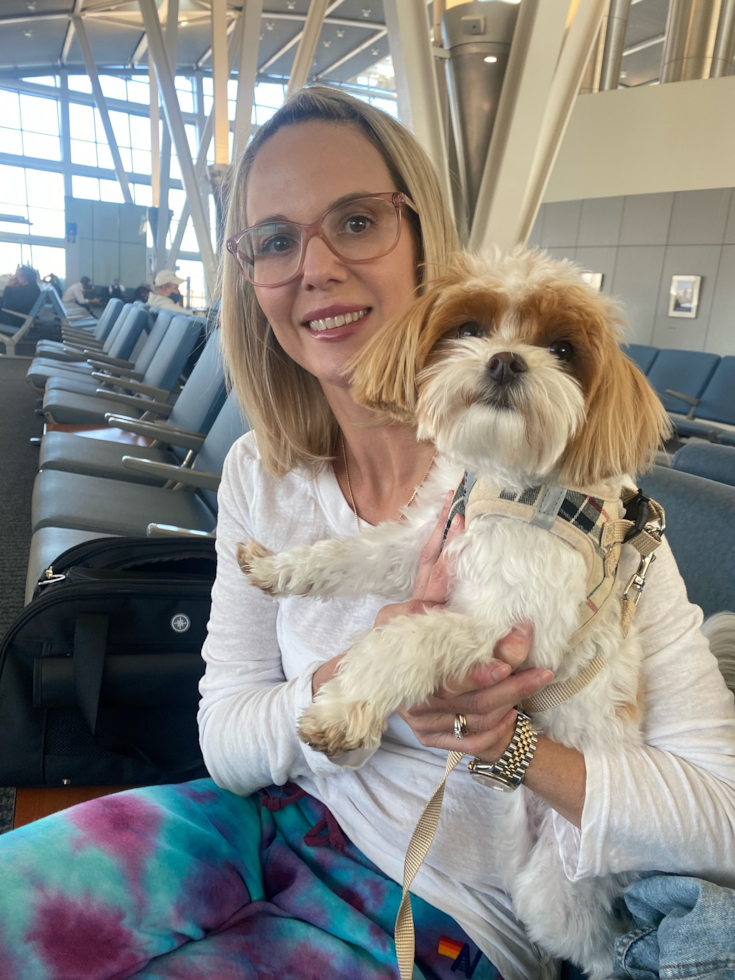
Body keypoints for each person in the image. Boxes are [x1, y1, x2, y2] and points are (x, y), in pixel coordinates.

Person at [1, 87, 734, 980]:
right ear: (251, 277)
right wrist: (358, 673)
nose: (314, 266)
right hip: (262, 820)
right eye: (274, 239)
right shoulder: (262, 476)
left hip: (446, 915)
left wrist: (513, 748)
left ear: (424, 242)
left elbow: (722, 821)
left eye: (355, 222)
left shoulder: (587, 503)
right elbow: (227, 740)